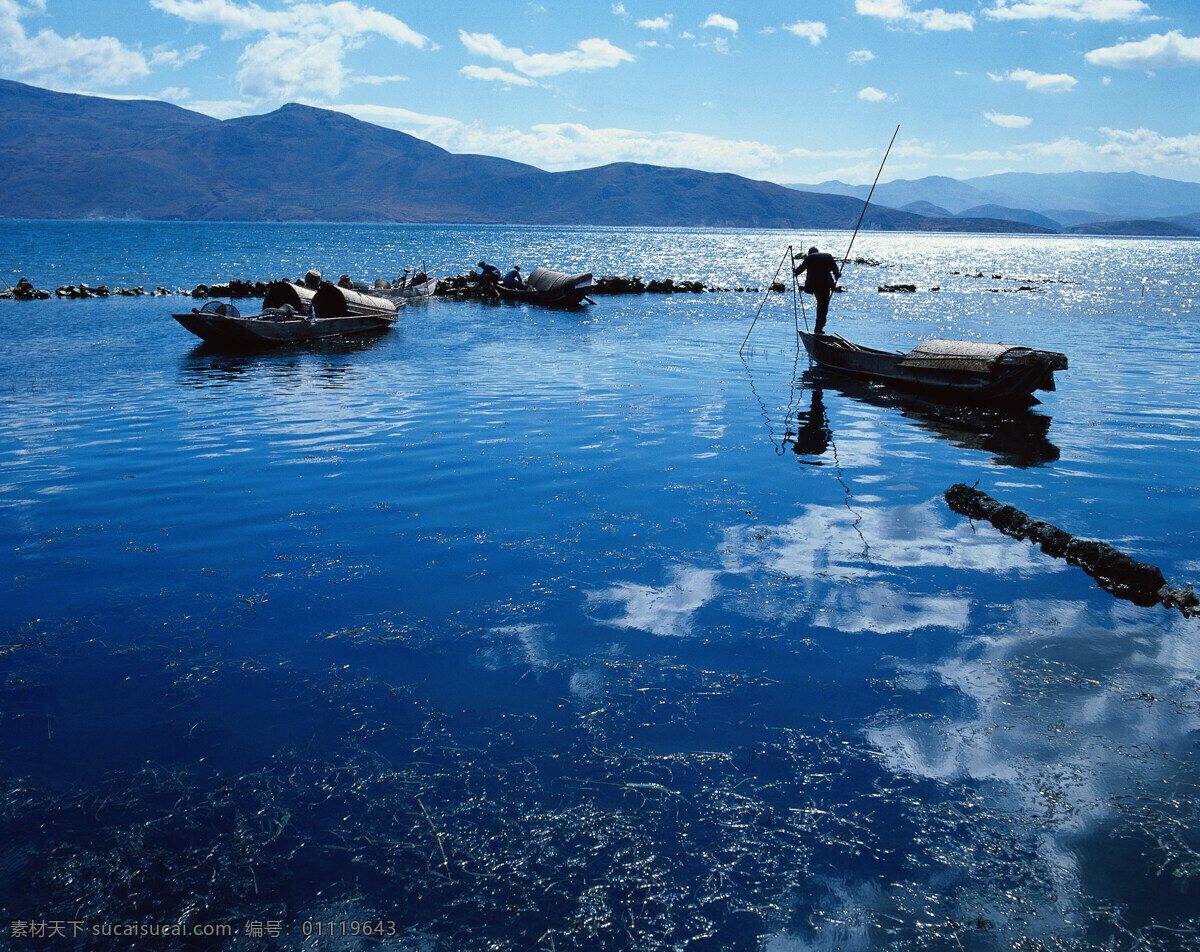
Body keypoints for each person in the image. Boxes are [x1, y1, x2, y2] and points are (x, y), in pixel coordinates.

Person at [793, 246, 841, 335]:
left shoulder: (809, 258)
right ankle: (819, 328)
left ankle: (818, 329)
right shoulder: (828, 256)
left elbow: (800, 269)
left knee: (820, 306)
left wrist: (795, 272)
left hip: (815, 285)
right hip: (826, 285)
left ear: (809, 253)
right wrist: (837, 275)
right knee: (823, 307)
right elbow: (836, 271)